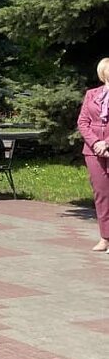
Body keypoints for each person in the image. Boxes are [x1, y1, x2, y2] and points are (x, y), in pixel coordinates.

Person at [79, 58, 109, 252]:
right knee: (102, 194)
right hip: (93, 151)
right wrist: (96, 142)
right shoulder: (92, 94)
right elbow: (83, 121)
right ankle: (105, 237)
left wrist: (107, 143)